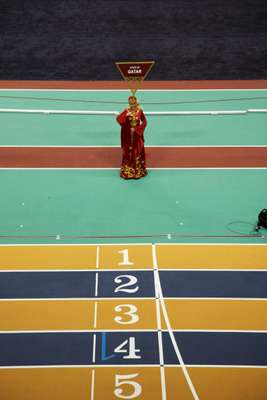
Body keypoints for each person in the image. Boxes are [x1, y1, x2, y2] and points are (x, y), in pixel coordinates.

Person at [116, 96, 147, 179]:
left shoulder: (140, 111)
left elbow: (144, 122)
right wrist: (126, 115)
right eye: (130, 103)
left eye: (133, 103)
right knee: (127, 152)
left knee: (137, 151)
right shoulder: (127, 111)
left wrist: (137, 129)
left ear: (136, 103)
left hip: (137, 136)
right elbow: (118, 119)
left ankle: (138, 171)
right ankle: (128, 171)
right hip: (128, 136)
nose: (132, 105)